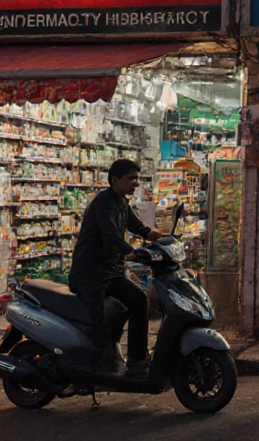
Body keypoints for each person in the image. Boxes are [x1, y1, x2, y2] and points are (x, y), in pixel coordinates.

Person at [68, 159, 162, 375]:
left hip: (110, 274)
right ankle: (91, 369)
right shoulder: (104, 202)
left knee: (139, 299)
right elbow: (110, 235)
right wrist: (131, 252)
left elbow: (136, 226)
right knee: (100, 321)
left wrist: (157, 237)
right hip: (91, 275)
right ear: (115, 180)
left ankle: (137, 359)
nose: (136, 183)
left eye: (137, 179)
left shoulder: (121, 202)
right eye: (131, 179)